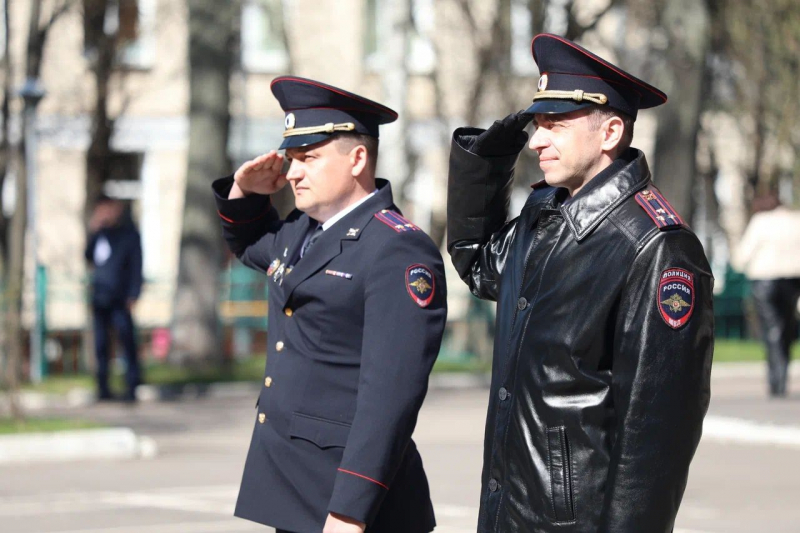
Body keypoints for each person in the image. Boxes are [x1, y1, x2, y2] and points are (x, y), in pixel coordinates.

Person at [447, 34, 714, 532]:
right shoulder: (545, 212)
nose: (536, 140)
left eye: (556, 124)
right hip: (509, 513)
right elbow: (478, 265)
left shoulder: (657, 247)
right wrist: (485, 163)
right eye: (535, 123)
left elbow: (656, 441)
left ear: (611, 131)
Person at [212, 76, 447, 533]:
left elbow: (390, 396)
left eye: (310, 158)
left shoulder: (396, 248)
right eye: (292, 158)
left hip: (354, 504)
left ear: (358, 158)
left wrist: (350, 509)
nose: (293, 172)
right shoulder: (304, 230)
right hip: (295, 490)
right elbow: (250, 244)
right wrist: (245, 191)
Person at [734, 192, 800, 397]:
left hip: (765, 280)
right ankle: (781, 375)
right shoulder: (795, 220)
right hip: (792, 279)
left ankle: (776, 379)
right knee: (786, 326)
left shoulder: (760, 222)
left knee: (772, 327)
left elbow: (742, 256)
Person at [84, 195, 143, 402]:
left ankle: (132, 384)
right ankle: (103, 387)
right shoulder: (100, 234)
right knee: (101, 344)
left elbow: (137, 266)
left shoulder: (129, 234)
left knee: (126, 341)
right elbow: (88, 256)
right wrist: (94, 230)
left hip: (120, 298)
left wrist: (134, 294)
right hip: (100, 298)